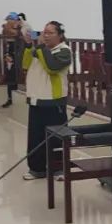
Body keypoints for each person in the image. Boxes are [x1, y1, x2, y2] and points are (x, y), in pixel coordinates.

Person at [21, 20, 73, 180]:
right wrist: (28, 45)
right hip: (36, 100)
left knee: (56, 137)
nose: (46, 35)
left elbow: (52, 67)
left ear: (60, 35)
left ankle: (59, 169)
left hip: (53, 101)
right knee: (35, 137)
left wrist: (41, 47)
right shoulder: (40, 50)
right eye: (44, 32)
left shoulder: (64, 51)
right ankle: (36, 169)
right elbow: (25, 64)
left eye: (50, 33)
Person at [0, 12, 24, 108]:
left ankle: (12, 97)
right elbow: (11, 36)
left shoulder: (22, 28)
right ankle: (10, 98)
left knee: (16, 74)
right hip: (12, 54)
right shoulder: (7, 29)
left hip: (20, 54)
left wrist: (41, 34)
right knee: (11, 76)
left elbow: (31, 35)